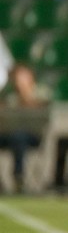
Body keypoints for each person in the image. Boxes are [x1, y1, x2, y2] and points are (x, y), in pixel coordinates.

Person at [0, 64, 49, 193]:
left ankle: (18, 177)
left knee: (19, 138)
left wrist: (24, 93)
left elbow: (42, 109)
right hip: (8, 134)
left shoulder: (41, 91)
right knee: (16, 136)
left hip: (32, 135)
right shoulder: (9, 95)